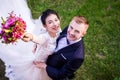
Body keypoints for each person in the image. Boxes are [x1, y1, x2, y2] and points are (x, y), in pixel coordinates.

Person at [33, 15, 89, 80]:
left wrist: (45, 66)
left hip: (52, 72)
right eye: (71, 27)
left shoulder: (77, 57)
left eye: (77, 31)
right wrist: (38, 43)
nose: (71, 32)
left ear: (83, 34)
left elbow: (60, 75)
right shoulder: (68, 29)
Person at [21, 9, 61, 80]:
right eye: (50, 22)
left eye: (56, 20)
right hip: (39, 63)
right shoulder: (45, 37)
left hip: (49, 62)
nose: (55, 24)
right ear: (45, 26)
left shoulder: (58, 30)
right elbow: (38, 39)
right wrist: (31, 37)